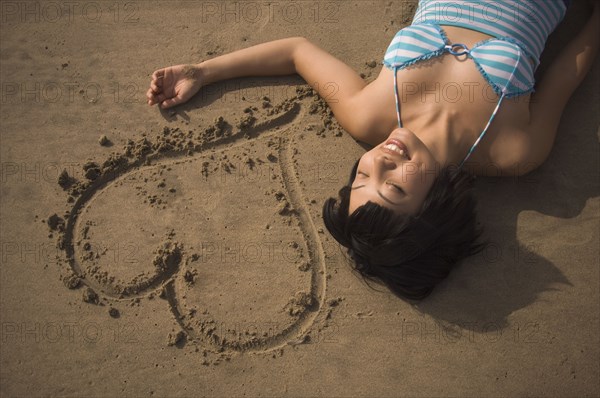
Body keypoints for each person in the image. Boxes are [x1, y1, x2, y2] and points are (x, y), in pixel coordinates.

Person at [147, 0, 599, 300]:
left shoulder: (368, 115)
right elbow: (567, 73)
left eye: (361, 178)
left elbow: (297, 53)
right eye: (395, 190)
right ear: (434, 208)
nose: (379, 162)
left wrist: (204, 72)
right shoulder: (512, 151)